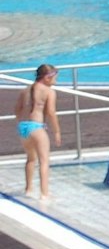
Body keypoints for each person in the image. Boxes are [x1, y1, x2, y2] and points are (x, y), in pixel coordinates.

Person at [14, 63, 59, 198]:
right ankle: (44, 193)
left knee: (30, 159)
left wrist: (22, 123)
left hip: (23, 127)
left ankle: (28, 189)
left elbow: (17, 110)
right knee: (44, 161)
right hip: (36, 127)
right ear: (47, 78)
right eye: (55, 77)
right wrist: (56, 131)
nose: (56, 81)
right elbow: (51, 112)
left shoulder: (25, 90)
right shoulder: (49, 92)